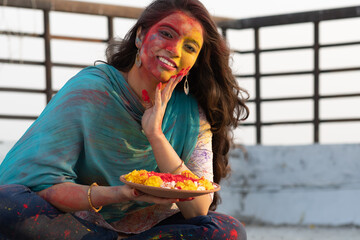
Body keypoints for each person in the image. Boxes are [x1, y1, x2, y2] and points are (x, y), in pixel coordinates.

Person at [0, 0, 249, 239]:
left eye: (190, 47)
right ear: (140, 36)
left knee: (227, 231)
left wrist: (156, 136)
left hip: (149, 229)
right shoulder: (92, 90)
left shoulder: (191, 115)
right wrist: (120, 193)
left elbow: (198, 210)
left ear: (194, 62)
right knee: (6, 203)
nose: (174, 50)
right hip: (78, 225)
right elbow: (45, 184)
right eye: (167, 34)